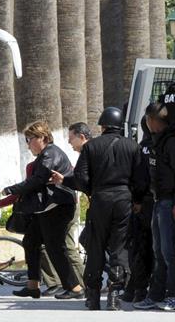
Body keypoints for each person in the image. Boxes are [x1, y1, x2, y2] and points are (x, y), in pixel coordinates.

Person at [52, 107, 146, 310]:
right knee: (120, 247)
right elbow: (141, 179)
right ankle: (115, 293)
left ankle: (93, 296)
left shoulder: (90, 147)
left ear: (102, 126)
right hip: (124, 200)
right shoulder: (132, 147)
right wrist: (137, 200)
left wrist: (91, 191)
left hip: (100, 199)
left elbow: (81, 178)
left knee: (96, 245)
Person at [1, 121, 84, 300]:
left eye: (29, 139)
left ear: (42, 138)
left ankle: (75, 287)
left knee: (56, 247)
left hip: (57, 207)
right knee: (30, 241)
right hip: (47, 208)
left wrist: (12, 189)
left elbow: (39, 179)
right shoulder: (45, 154)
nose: (28, 144)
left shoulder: (50, 153)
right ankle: (33, 285)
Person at [131, 104, 175, 311]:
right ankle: (155, 295)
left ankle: (174, 296)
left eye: (147, 120)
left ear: (152, 120)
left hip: (168, 202)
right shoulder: (158, 141)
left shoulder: (171, 142)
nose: (146, 124)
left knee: (168, 252)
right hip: (158, 201)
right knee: (158, 252)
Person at [123, 115, 155, 304]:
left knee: (140, 248)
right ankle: (140, 289)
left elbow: (136, 177)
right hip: (152, 201)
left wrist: (136, 199)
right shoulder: (158, 145)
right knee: (150, 249)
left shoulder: (139, 148)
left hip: (141, 203)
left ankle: (136, 289)